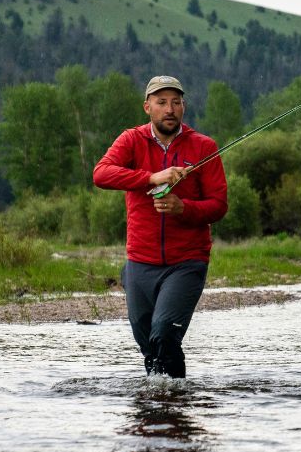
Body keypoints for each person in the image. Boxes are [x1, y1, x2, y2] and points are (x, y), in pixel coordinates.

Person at [93, 75, 228, 378]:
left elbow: (219, 206)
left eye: (176, 102)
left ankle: (175, 406)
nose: (170, 109)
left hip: (187, 262)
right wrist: (150, 178)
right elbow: (101, 174)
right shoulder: (130, 140)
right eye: (162, 102)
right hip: (140, 261)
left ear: (183, 107)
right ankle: (159, 410)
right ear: (147, 107)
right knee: (149, 348)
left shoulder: (204, 146)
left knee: (165, 334)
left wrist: (184, 208)